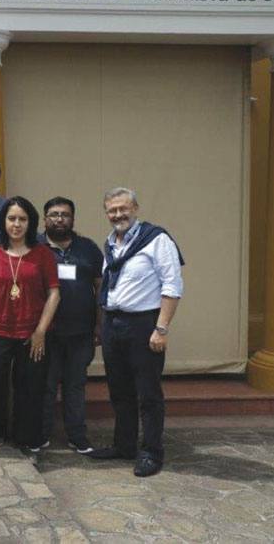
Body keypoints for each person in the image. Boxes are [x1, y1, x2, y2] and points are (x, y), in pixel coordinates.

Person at [90, 188, 183, 478]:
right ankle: (124, 445)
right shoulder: (110, 243)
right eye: (112, 210)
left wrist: (161, 328)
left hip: (144, 325)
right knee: (120, 391)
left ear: (136, 208)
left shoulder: (157, 240)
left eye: (123, 208)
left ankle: (152, 452)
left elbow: (172, 286)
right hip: (113, 323)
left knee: (148, 393)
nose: (118, 214)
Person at [0, 196, 60, 465]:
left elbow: (54, 293)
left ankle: (28, 440)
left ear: (31, 223)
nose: (16, 224)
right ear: (4, 222)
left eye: (22, 219)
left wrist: (41, 332)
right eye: (11, 218)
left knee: (30, 386)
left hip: (31, 333)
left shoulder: (43, 254)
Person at [38, 197, 104, 454]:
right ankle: (42, 434)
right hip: (46, 333)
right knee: (47, 385)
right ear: (45, 219)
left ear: (73, 219)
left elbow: (99, 288)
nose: (59, 219)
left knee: (76, 385)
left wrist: (99, 326)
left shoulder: (88, 247)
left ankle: (77, 436)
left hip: (81, 332)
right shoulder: (35, 246)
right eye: (54, 214)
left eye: (65, 214)